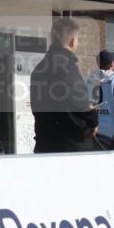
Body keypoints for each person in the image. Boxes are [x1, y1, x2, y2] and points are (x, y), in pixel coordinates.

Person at [30, 18, 99, 153]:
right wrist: (93, 121)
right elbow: (79, 102)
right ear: (73, 40)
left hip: (44, 143)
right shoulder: (67, 66)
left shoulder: (39, 68)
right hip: (70, 146)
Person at [85, 49, 114, 148]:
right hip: (111, 133)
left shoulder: (89, 80)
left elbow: (86, 105)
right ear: (112, 64)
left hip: (93, 132)